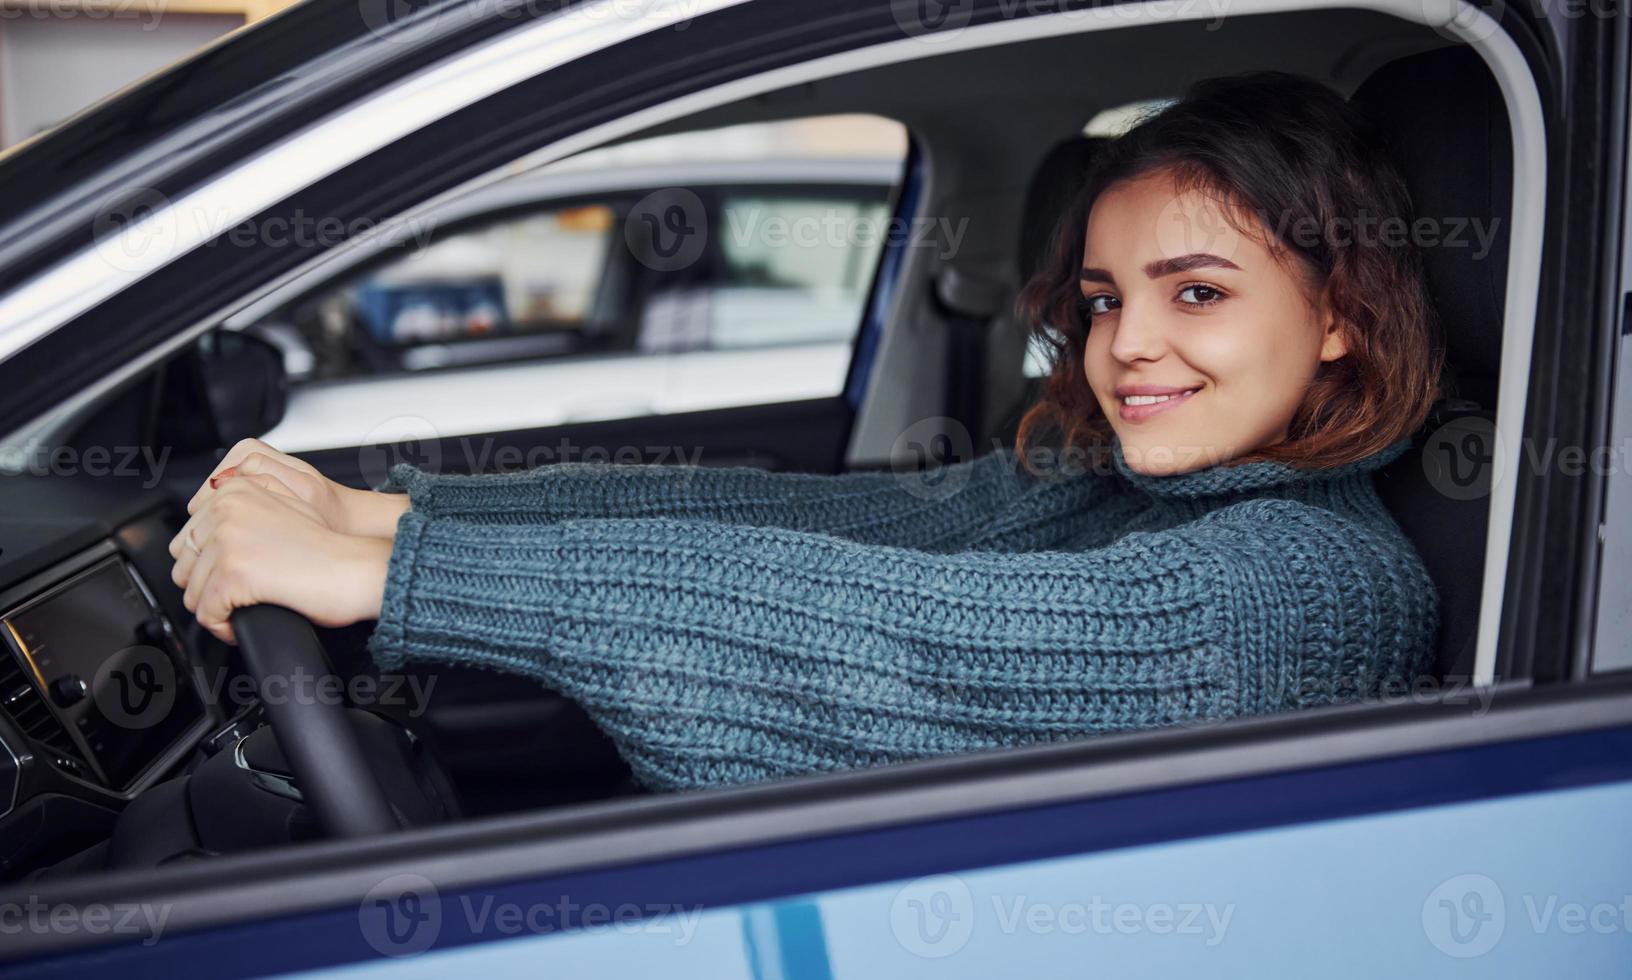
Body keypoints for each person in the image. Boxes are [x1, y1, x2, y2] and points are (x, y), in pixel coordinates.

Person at [169, 72, 1442, 793]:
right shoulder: (1139, 486)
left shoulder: (1307, 584)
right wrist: (387, 516)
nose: (1127, 346)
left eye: (1199, 293)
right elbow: (834, 522)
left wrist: (399, 573)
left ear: (1340, 313)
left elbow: (898, 638)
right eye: (1107, 300)